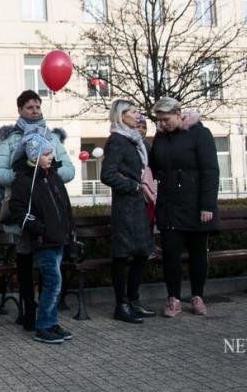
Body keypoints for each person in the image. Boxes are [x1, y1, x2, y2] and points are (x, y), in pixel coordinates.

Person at [0, 90, 74, 331]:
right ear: (20, 110)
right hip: (23, 211)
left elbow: (69, 170)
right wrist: (25, 176)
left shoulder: (53, 139)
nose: (35, 111)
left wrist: (49, 173)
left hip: (49, 211)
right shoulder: (10, 140)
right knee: (25, 262)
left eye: (38, 107)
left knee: (50, 266)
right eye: (29, 107)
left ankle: (48, 313)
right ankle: (28, 310)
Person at [149, 97, 219, 318]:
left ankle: (197, 296)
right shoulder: (161, 137)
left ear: (179, 114)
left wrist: (207, 205)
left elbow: (210, 171)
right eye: (159, 120)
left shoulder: (200, 133)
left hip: (196, 204)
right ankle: (174, 299)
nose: (162, 124)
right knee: (171, 254)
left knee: (198, 253)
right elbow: (154, 165)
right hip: (169, 205)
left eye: (166, 119)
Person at [7, 134, 74, 344]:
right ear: (34, 156)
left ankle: (51, 322)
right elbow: (18, 210)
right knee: (53, 282)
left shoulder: (52, 176)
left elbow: (65, 206)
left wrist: (69, 230)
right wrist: (39, 228)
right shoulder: (24, 181)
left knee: (56, 282)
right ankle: (43, 324)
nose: (50, 157)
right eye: (46, 153)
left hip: (59, 238)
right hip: (44, 240)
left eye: (51, 152)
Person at [100, 100, 156, 324]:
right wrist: (133, 187)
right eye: (132, 112)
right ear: (121, 116)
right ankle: (121, 305)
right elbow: (107, 174)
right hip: (125, 207)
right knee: (123, 255)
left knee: (142, 252)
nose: (138, 115)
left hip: (139, 205)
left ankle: (134, 300)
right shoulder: (116, 141)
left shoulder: (135, 140)